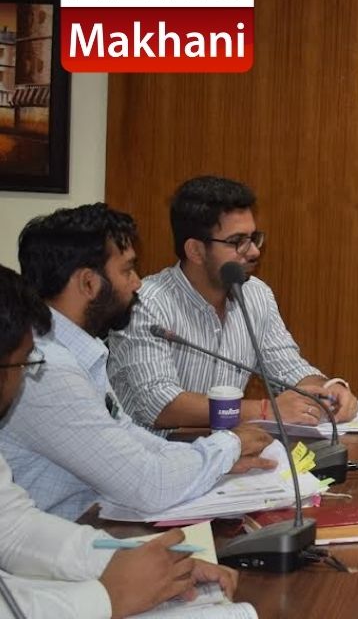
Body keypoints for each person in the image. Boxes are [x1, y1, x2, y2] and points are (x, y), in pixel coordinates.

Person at [0, 204, 276, 521]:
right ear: (88, 283)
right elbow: (148, 484)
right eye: (127, 270)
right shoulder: (47, 369)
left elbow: (130, 437)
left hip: (90, 522)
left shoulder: (78, 350)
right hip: (56, 540)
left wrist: (215, 461)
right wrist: (229, 445)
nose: (137, 283)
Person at [0, 263, 239, 618]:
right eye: (22, 365)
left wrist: (143, 564)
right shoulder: (57, 371)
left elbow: (14, 528)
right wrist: (107, 597)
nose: (22, 380)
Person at [108, 176, 358, 430]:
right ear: (195, 250)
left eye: (253, 237)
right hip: (153, 451)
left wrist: (328, 390)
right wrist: (265, 410)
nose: (254, 251)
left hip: (224, 449)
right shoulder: (146, 304)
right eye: (237, 241)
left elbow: (288, 368)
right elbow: (161, 405)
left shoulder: (256, 294)